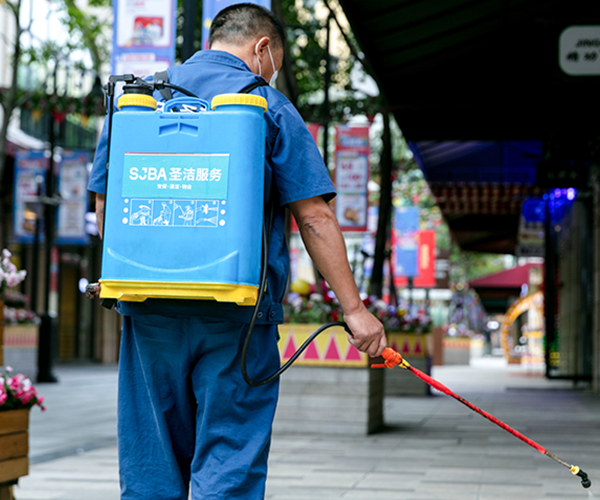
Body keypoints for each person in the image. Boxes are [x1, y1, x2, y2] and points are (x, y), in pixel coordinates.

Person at [88, 3, 386, 499]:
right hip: (238, 315)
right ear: (261, 48)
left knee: (151, 465)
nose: (271, 74)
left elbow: (105, 206)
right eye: (274, 64)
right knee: (229, 463)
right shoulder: (268, 105)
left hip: (149, 313)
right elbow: (314, 217)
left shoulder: (139, 101)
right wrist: (354, 311)